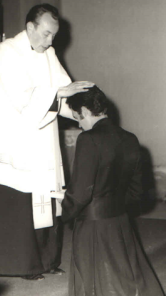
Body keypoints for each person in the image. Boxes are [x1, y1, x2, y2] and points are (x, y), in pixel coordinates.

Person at [0, 4, 94, 280]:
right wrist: (59, 92)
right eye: (47, 34)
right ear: (30, 28)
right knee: (19, 205)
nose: (51, 42)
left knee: (46, 202)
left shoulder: (48, 54)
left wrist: (80, 111)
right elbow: (23, 97)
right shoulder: (7, 52)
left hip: (43, 143)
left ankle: (46, 261)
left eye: (53, 36)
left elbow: (63, 95)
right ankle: (20, 264)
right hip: (15, 144)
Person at [61, 86, 164, 296]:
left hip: (93, 226)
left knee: (95, 285)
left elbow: (80, 193)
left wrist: (65, 211)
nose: (78, 124)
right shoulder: (130, 138)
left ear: (85, 110)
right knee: (126, 279)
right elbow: (136, 192)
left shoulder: (88, 139)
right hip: (121, 222)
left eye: (77, 118)